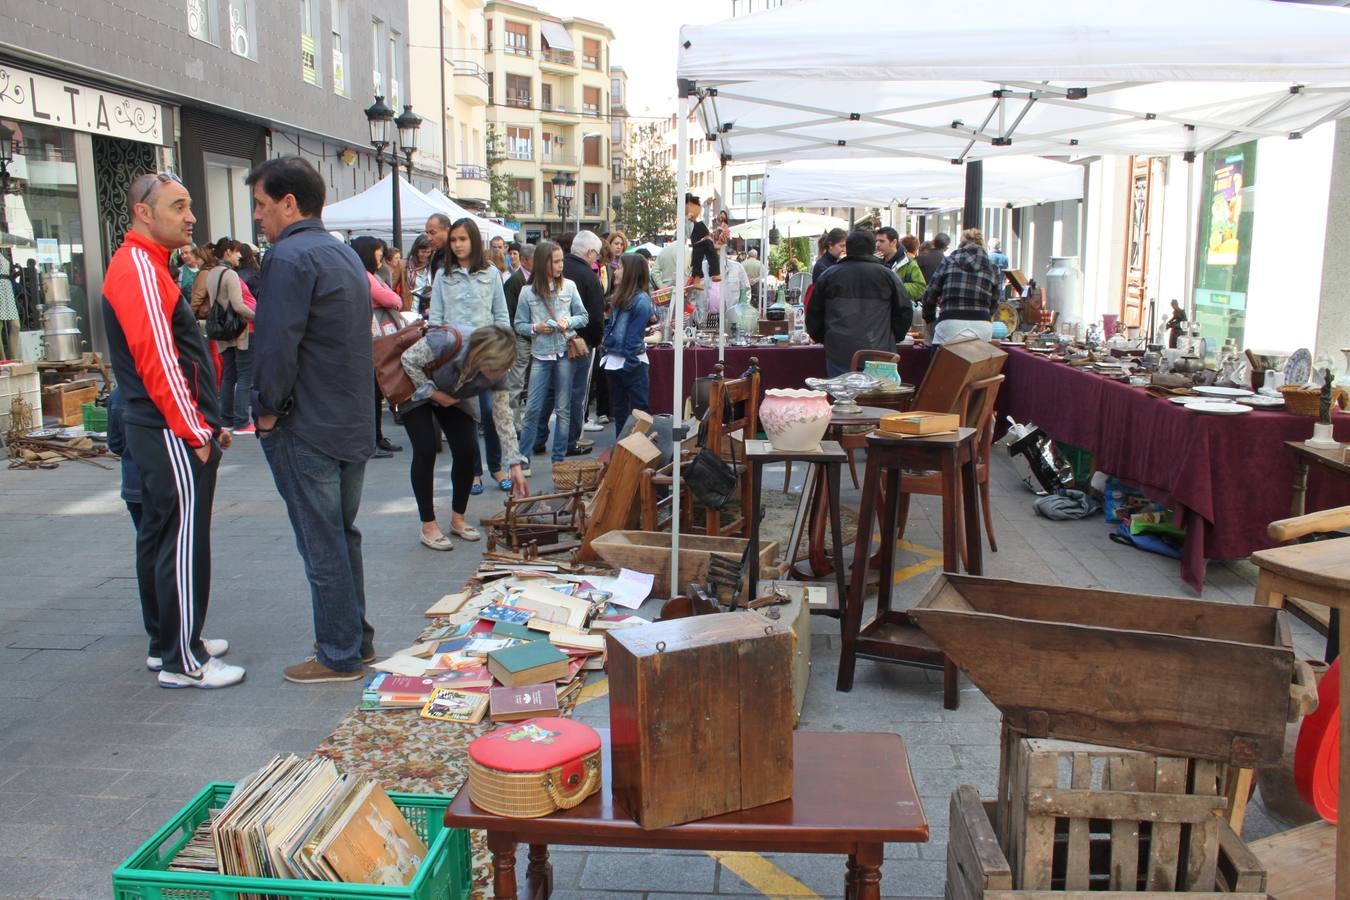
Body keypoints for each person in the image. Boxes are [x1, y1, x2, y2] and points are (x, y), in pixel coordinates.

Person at [103, 171, 242, 689]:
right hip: (166, 428)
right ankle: (186, 659)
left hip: (164, 425)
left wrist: (205, 421)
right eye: (179, 206)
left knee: (164, 535)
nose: (191, 217)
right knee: (180, 540)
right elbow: (159, 360)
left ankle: (171, 643)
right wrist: (195, 430)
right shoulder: (139, 267)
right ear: (144, 212)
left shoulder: (145, 265)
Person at [248, 156, 375, 684]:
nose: (257, 216)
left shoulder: (289, 256)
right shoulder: (342, 254)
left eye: (260, 204)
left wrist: (266, 412)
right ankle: (355, 641)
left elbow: (277, 346)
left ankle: (339, 651)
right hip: (346, 419)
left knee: (323, 542)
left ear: (288, 203)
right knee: (339, 536)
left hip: (310, 423)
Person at [400, 324, 528, 551]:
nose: (495, 375)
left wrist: (514, 463)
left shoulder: (499, 371)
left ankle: (457, 519)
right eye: (492, 369)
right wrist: (434, 393)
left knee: (467, 450)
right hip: (417, 389)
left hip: (453, 396)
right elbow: (408, 359)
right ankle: (428, 526)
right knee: (426, 448)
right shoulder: (446, 341)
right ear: (481, 355)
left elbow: (503, 417)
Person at [427, 217, 513, 493]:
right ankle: (473, 472)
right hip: (456, 357)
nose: (458, 245)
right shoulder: (443, 274)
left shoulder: (490, 273)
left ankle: (497, 467)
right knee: (467, 415)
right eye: (453, 240)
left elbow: (501, 314)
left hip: (487, 354)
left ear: (474, 241)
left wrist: (501, 348)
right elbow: (436, 319)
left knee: (491, 411)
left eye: (463, 239)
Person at [516, 241, 588, 467]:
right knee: (533, 409)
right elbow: (518, 324)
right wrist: (535, 328)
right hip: (541, 354)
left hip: (564, 353)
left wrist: (568, 321)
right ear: (543, 263)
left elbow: (583, 316)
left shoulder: (570, 286)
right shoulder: (527, 291)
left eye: (561, 261)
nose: (560, 266)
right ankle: (523, 459)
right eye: (556, 261)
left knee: (563, 409)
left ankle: (559, 460)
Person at [805, 229, 912, 377]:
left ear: (847, 248)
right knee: (875, 398)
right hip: (879, 350)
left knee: (842, 398)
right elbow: (904, 311)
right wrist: (892, 337)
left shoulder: (829, 275)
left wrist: (827, 338)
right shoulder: (888, 276)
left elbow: (813, 314)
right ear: (872, 248)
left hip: (840, 351)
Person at [351, 236, 406, 460]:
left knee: (375, 392)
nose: (381, 259)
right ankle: (372, 441)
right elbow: (392, 299)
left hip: (370, 341)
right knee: (373, 393)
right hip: (371, 342)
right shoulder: (365, 277)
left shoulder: (369, 275)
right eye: (378, 254)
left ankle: (377, 438)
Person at [204, 238, 258, 434]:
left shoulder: (211, 274)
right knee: (245, 376)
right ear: (227, 252)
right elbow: (238, 305)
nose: (239, 256)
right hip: (242, 331)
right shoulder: (230, 275)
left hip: (223, 331)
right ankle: (242, 421)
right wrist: (258, 317)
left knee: (229, 374)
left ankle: (226, 418)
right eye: (236, 252)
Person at [564, 230, 607, 451]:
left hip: (551, 340)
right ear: (590, 252)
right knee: (577, 392)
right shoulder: (588, 276)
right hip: (581, 342)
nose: (597, 259)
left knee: (551, 392)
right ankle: (571, 440)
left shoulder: (556, 266)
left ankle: (541, 438)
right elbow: (596, 313)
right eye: (596, 255)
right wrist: (597, 338)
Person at [920, 227, 1001, 345]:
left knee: (942, 362)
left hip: (950, 322)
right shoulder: (993, 268)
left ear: (960, 245)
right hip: (982, 324)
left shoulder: (948, 262)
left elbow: (930, 295)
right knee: (977, 363)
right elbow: (995, 302)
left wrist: (930, 319)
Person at [601, 255, 654, 436]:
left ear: (630, 272)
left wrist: (629, 361)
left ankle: (637, 451)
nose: (615, 271)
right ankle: (622, 449)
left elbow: (632, 336)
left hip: (629, 361)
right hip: (617, 360)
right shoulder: (621, 298)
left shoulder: (640, 300)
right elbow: (613, 328)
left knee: (637, 409)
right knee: (621, 410)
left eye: (619, 268)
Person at [503, 243, 535, 430]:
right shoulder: (515, 281)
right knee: (516, 381)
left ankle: (525, 421)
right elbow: (509, 310)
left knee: (530, 381)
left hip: (532, 335)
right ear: (524, 260)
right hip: (520, 336)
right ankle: (514, 423)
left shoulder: (533, 278)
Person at [877, 228, 927, 309]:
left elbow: (920, 288)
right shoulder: (874, 262)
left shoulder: (908, 263)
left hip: (898, 312)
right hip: (877, 312)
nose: (877, 244)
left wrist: (893, 287)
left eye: (882, 241)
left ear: (893, 242)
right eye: (877, 241)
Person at [686, 193, 719, 288]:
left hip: (705, 242)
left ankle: (715, 273)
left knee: (712, 257)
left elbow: (706, 217)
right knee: (697, 263)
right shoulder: (688, 223)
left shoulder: (700, 221)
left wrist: (707, 205)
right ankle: (697, 281)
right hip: (697, 245)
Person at [404, 233, 433, 314]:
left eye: (428, 252)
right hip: (408, 311)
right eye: (423, 252)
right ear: (416, 250)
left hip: (425, 311)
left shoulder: (431, 267)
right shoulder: (403, 265)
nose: (425, 255)